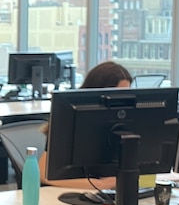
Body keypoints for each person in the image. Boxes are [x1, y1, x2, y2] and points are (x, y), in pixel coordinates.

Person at [39, 60, 133, 189]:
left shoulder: (123, 124)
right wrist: (101, 184)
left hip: (110, 195)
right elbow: (43, 173)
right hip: (68, 195)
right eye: (118, 95)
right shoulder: (71, 119)